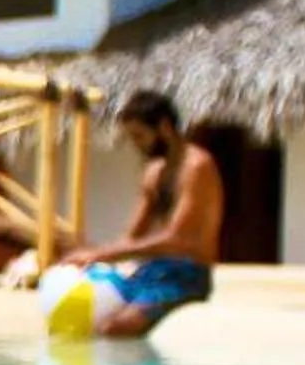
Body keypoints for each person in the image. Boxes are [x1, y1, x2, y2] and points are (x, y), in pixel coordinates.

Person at [61, 91, 222, 338]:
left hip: (187, 275)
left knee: (114, 329)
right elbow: (132, 236)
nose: (136, 145)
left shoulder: (197, 166)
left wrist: (100, 253)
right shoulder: (154, 172)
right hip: (152, 270)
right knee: (80, 320)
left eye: (139, 136)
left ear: (165, 128)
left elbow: (176, 239)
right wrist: (89, 259)